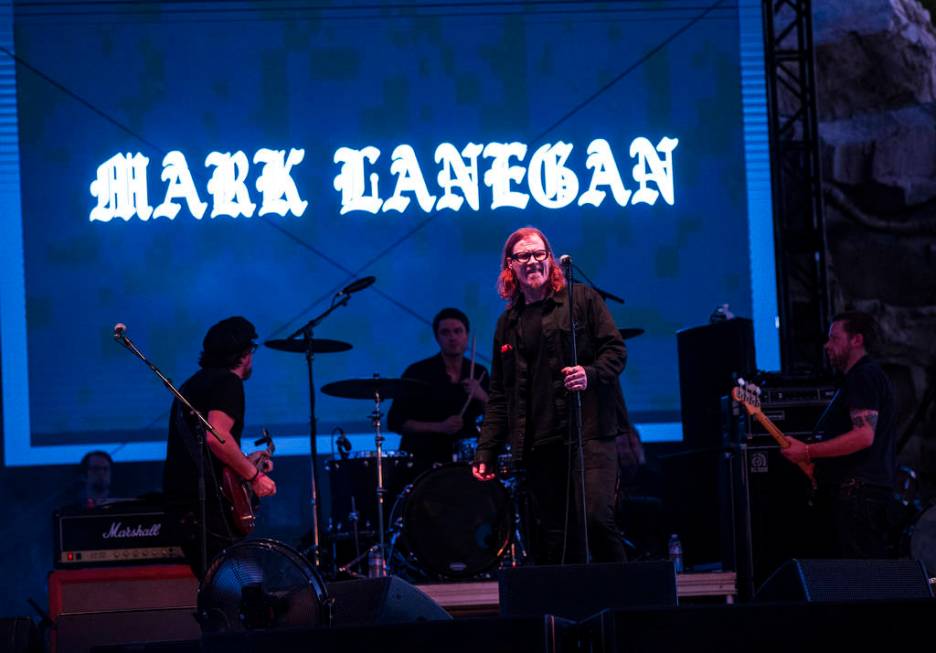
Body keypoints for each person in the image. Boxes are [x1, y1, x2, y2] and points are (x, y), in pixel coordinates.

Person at [472, 226, 630, 564]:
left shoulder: (582, 299)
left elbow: (615, 351)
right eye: (523, 256)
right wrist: (487, 449)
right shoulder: (507, 323)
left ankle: (627, 607)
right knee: (558, 538)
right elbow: (501, 393)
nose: (532, 261)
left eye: (539, 254)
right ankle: (573, 614)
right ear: (510, 266)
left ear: (550, 259)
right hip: (539, 444)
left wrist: (590, 373)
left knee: (596, 520)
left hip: (588, 433)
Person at [163, 316, 276, 576]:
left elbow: (207, 447)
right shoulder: (228, 382)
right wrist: (255, 476)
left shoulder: (193, 384)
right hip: (205, 510)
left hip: (186, 507)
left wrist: (246, 459)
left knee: (222, 587)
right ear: (246, 354)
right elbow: (216, 437)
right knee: (243, 588)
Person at [781, 310, 897, 558]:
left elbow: (864, 435)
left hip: (858, 497)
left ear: (856, 340)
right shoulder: (862, 377)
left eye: (834, 338)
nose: (827, 345)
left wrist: (808, 451)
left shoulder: (863, 377)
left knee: (860, 582)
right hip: (862, 495)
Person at [388, 308, 489, 475]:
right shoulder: (417, 373)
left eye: (458, 331)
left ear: (466, 336)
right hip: (425, 461)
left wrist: (483, 397)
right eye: (445, 332)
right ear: (437, 338)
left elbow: (497, 419)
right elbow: (396, 422)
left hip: (469, 464)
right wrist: (440, 427)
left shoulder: (480, 372)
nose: (452, 337)